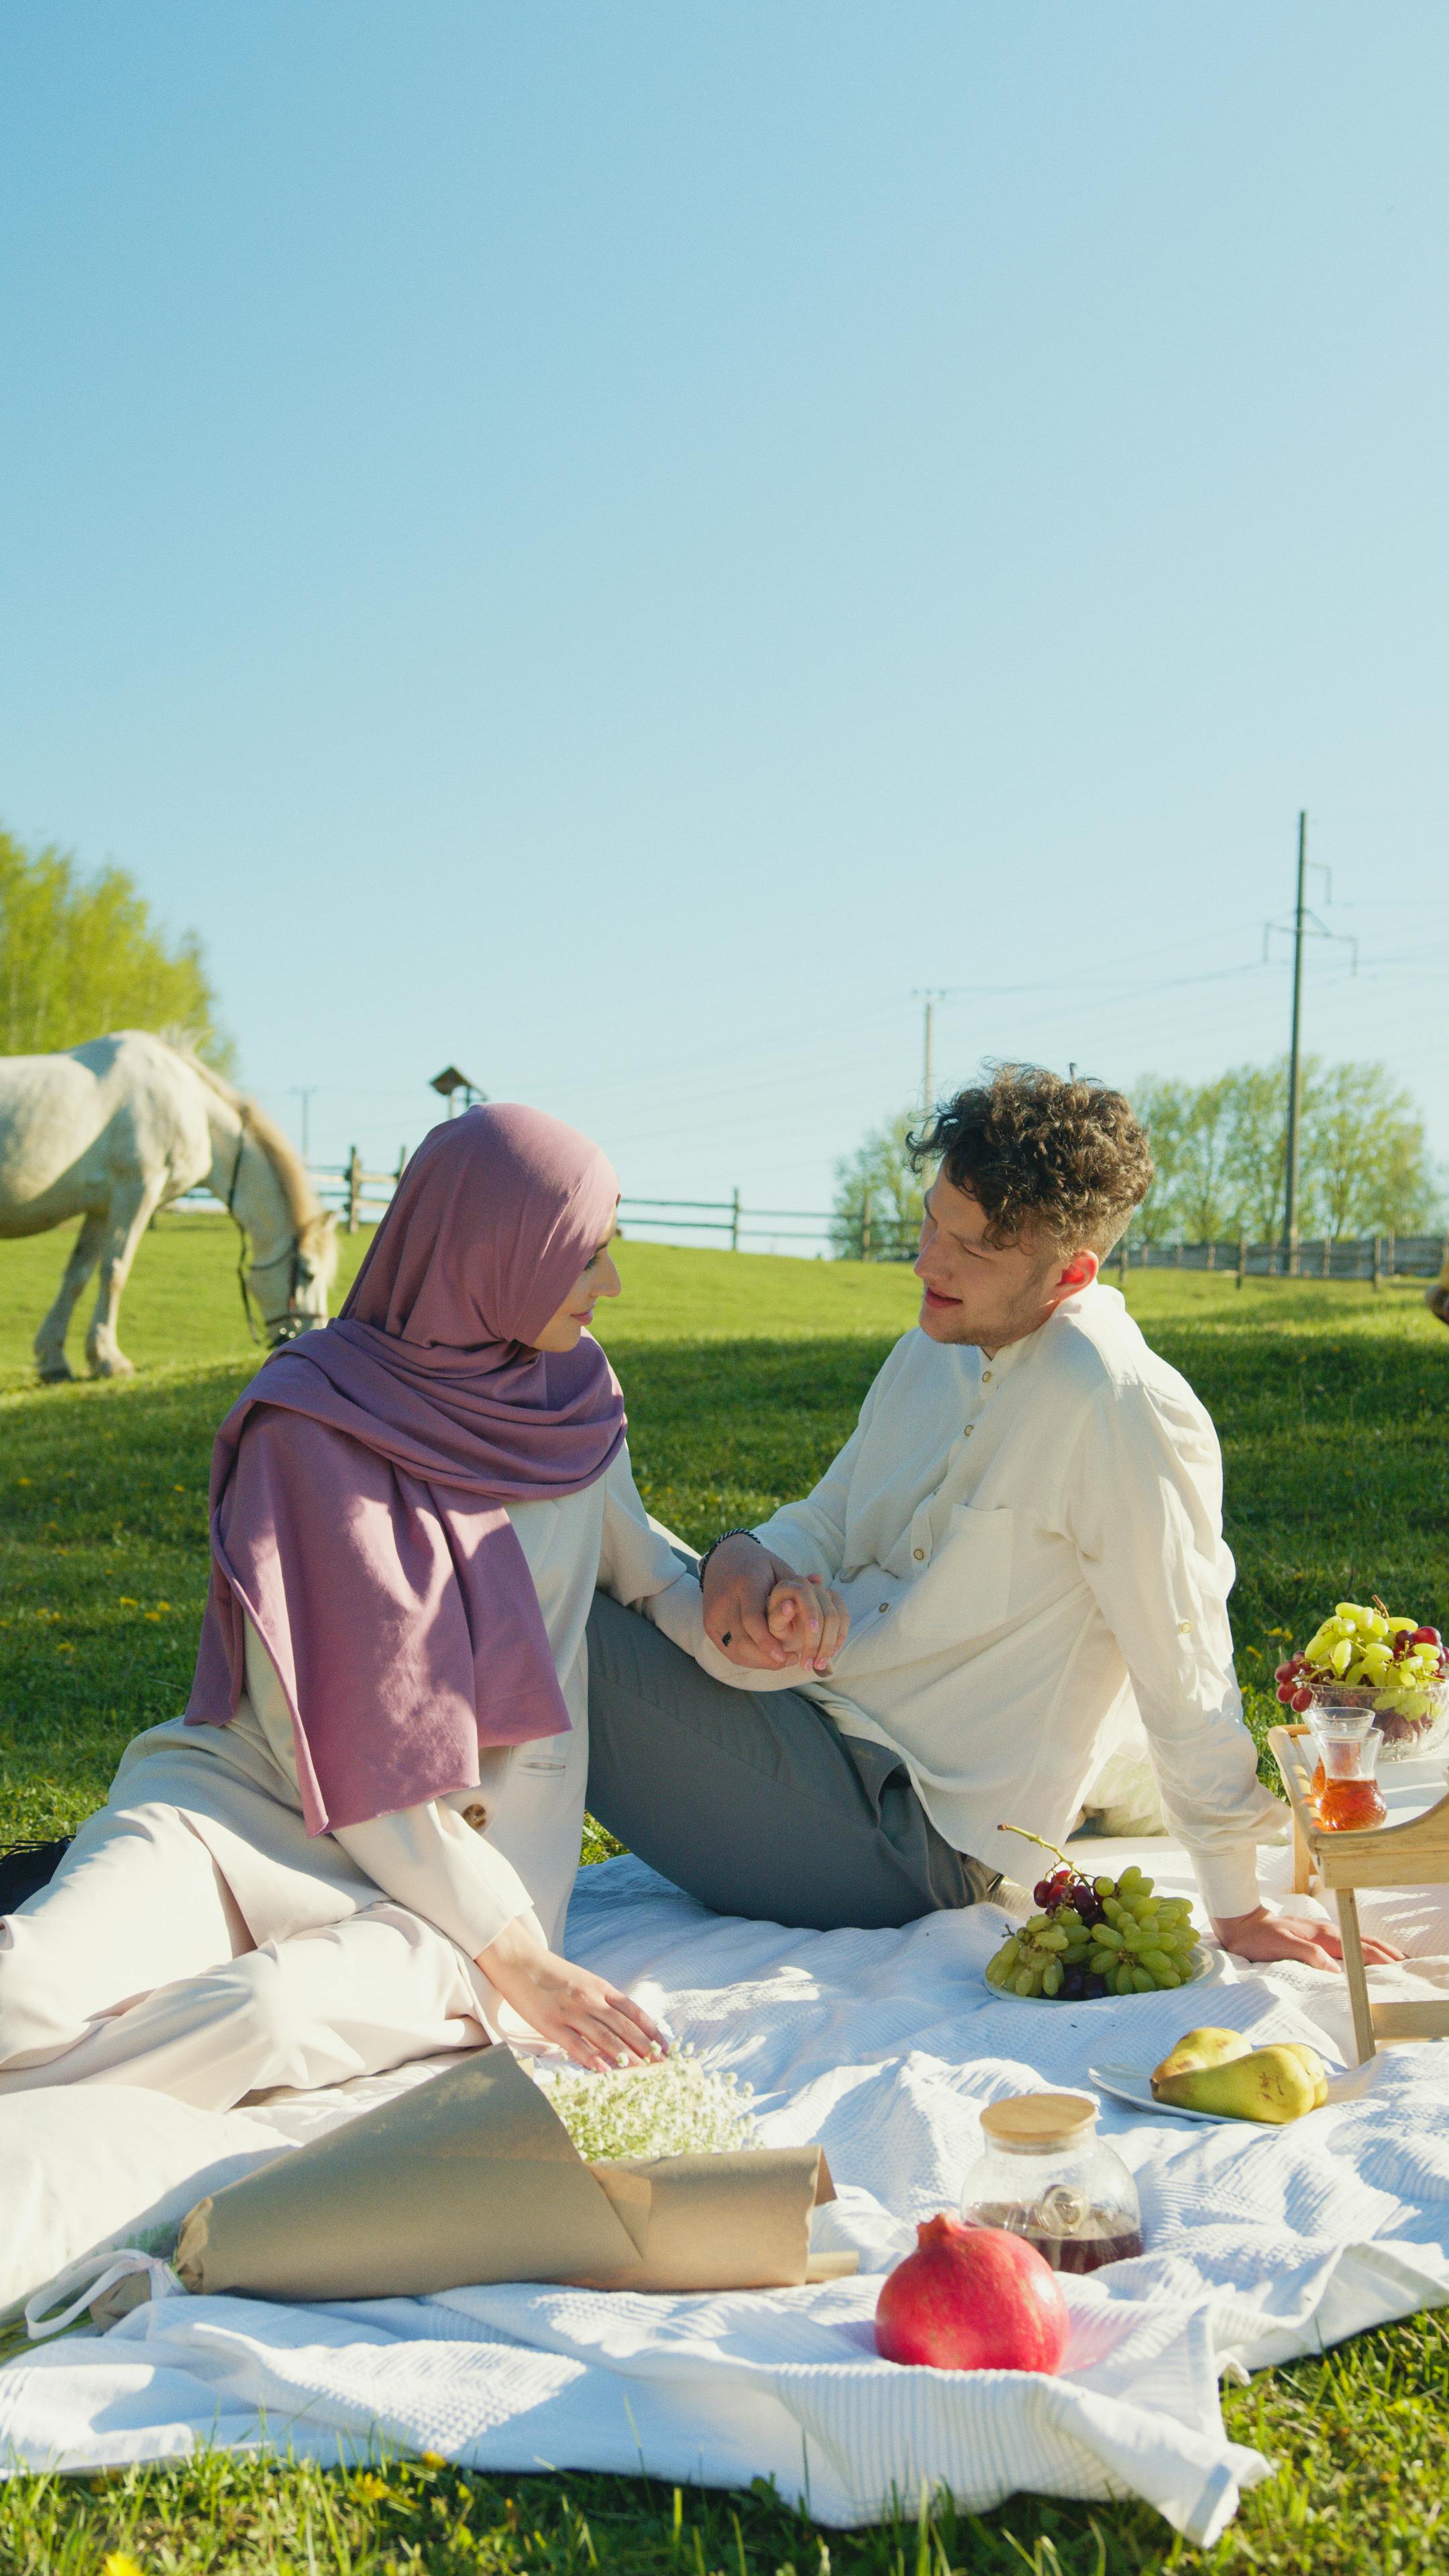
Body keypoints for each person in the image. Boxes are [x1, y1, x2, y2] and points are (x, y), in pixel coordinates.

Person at [586, 1064, 1402, 1973]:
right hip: (816, 1715)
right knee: (566, 1556)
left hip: (914, 1837)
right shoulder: (931, 1345)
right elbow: (830, 1514)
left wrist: (1237, 1906)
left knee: (552, 1615)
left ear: (1072, 1273)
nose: (928, 1261)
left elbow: (1184, 1661)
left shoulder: (1117, 1405)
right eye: (934, 1220)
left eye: (973, 1250)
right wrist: (750, 1556)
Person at [0, 1104, 691, 2110]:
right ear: (494, 1249)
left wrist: (746, 1594)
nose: (611, 1284)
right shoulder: (309, 1420)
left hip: (465, 1878)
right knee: (25, 1985)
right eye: (586, 1256)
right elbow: (330, 1722)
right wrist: (523, 1964)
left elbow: (650, 1572)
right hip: (240, 1810)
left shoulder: (574, 1403)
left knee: (262, 2018)